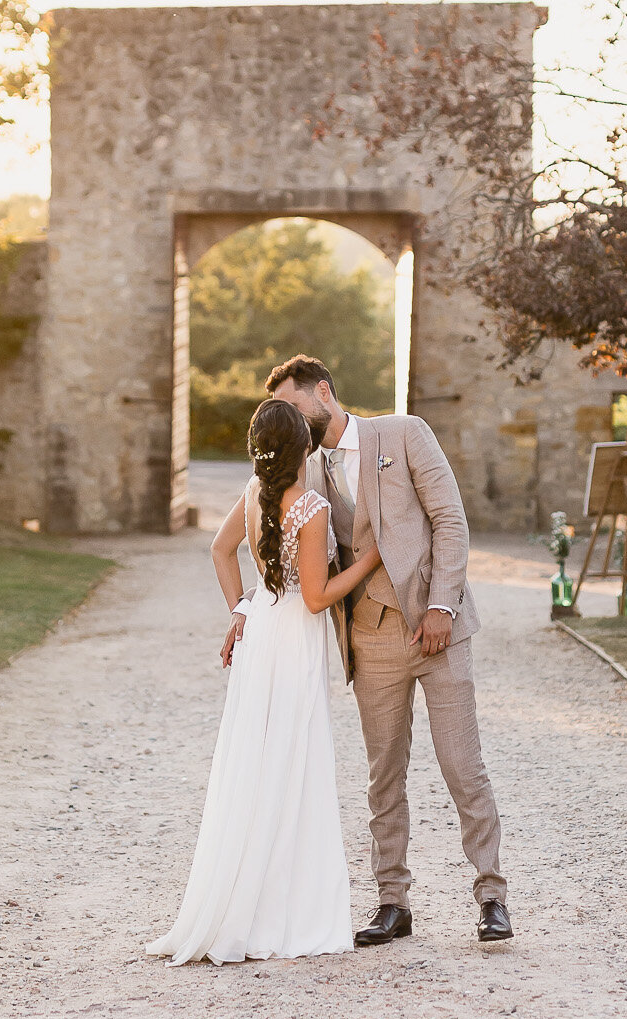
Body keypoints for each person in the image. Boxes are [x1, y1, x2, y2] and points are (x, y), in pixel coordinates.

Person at [253, 355, 513, 948]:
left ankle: (492, 895)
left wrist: (443, 607)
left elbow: (450, 521)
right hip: (370, 638)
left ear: (324, 391)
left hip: (437, 630)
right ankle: (392, 901)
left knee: (462, 766)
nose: (291, 421)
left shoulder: (403, 433)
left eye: (295, 407)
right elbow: (274, 547)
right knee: (383, 777)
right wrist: (243, 613)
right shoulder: (304, 473)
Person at [148, 397, 381, 966]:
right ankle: (283, 914)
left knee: (259, 764)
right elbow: (320, 596)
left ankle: (246, 905)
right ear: (304, 447)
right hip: (293, 641)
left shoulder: (254, 494)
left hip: (264, 628)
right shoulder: (309, 506)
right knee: (293, 762)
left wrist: (241, 611)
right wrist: (369, 561)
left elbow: (220, 550)